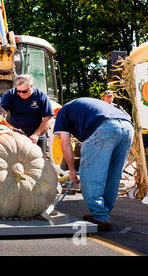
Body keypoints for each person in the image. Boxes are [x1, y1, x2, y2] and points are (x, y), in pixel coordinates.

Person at [54, 97, 134, 231]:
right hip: (127, 127)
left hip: (103, 127)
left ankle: (100, 216)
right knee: (112, 175)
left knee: (91, 176)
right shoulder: (85, 106)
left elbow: (65, 142)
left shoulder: (62, 112)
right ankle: (102, 214)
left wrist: (72, 169)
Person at [0, 74, 54, 155]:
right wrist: (1, 115)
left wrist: (36, 135)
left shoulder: (40, 96)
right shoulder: (11, 94)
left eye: (24, 91)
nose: (21, 94)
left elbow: (48, 118)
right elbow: (2, 109)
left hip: (36, 139)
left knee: (38, 164)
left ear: (31, 86)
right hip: (16, 139)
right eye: (19, 91)